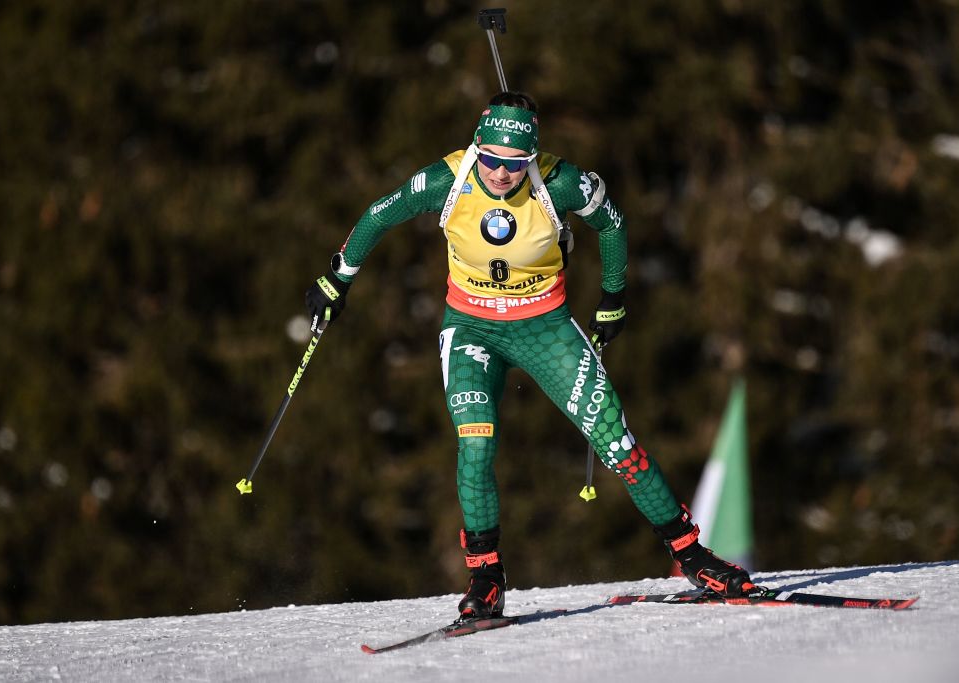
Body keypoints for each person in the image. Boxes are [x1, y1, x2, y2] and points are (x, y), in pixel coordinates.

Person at [305, 91, 758, 620]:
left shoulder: (560, 182)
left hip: (545, 327)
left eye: (515, 163)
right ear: (478, 147)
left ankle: (693, 557)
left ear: (532, 158)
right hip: (472, 329)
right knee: (476, 444)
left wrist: (613, 297)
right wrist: (338, 278)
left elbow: (612, 222)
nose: (500, 173)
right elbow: (379, 215)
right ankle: (487, 580)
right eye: (492, 159)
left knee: (619, 444)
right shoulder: (446, 180)